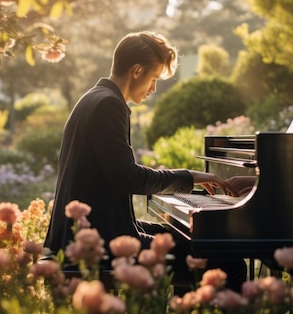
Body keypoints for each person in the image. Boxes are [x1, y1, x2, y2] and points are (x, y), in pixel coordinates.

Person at [43, 31, 247, 292]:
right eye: (154, 79)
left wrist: (189, 178)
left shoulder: (94, 97)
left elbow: (119, 177)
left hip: (92, 232)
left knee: (194, 240)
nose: (153, 89)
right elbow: (128, 177)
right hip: (97, 243)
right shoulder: (109, 104)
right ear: (137, 71)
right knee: (227, 261)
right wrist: (190, 177)